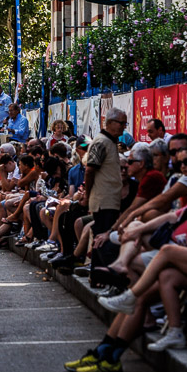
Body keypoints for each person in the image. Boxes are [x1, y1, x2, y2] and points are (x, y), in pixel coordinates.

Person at [84, 107, 128, 271]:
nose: (124, 127)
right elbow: (90, 170)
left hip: (110, 199)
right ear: (110, 123)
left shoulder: (110, 142)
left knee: (101, 237)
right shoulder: (102, 142)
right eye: (121, 123)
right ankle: (99, 272)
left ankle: (97, 273)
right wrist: (88, 196)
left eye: (125, 123)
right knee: (102, 237)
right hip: (103, 200)